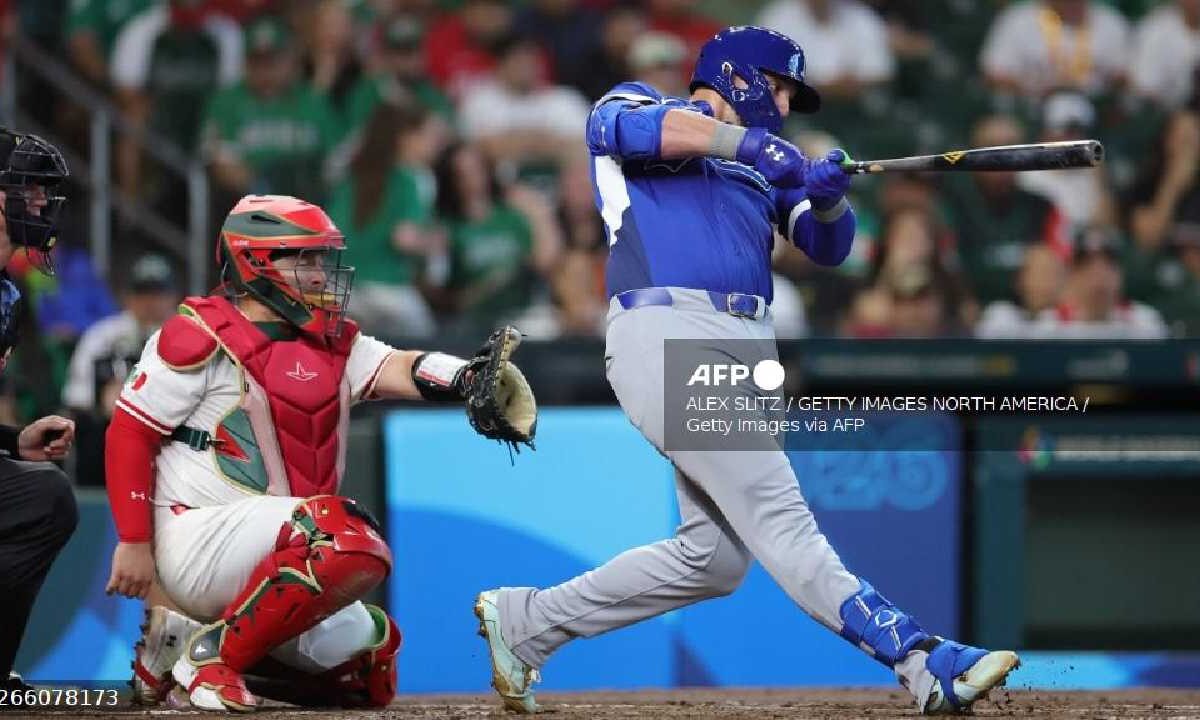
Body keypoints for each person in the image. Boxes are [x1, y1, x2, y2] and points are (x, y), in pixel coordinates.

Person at [472, 26, 1018, 716]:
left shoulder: (763, 167)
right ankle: (921, 659)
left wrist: (825, 195)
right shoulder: (644, 104)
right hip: (669, 328)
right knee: (781, 517)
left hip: (747, 344)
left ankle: (527, 624)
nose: (785, 106)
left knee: (715, 559)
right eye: (781, 88)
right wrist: (756, 146)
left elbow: (828, 247)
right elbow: (626, 129)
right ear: (738, 77)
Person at [104, 194, 535, 711]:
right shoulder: (196, 335)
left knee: (369, 670)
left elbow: (401, 366)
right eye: (303, 258)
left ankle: (179, 648)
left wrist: (466, 377)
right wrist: (133, 542)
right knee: (347, 537)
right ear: (256, 261)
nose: (318, 272)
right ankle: (210, 660)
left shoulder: (335, 341)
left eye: (321, 258)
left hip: (281, 549)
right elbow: (129, 433)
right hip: (199, 536)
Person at [0, 128, 79, 692]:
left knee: (44, 496)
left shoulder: (6, 295)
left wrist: (13, 443)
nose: (40, 205)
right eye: (28, 190)